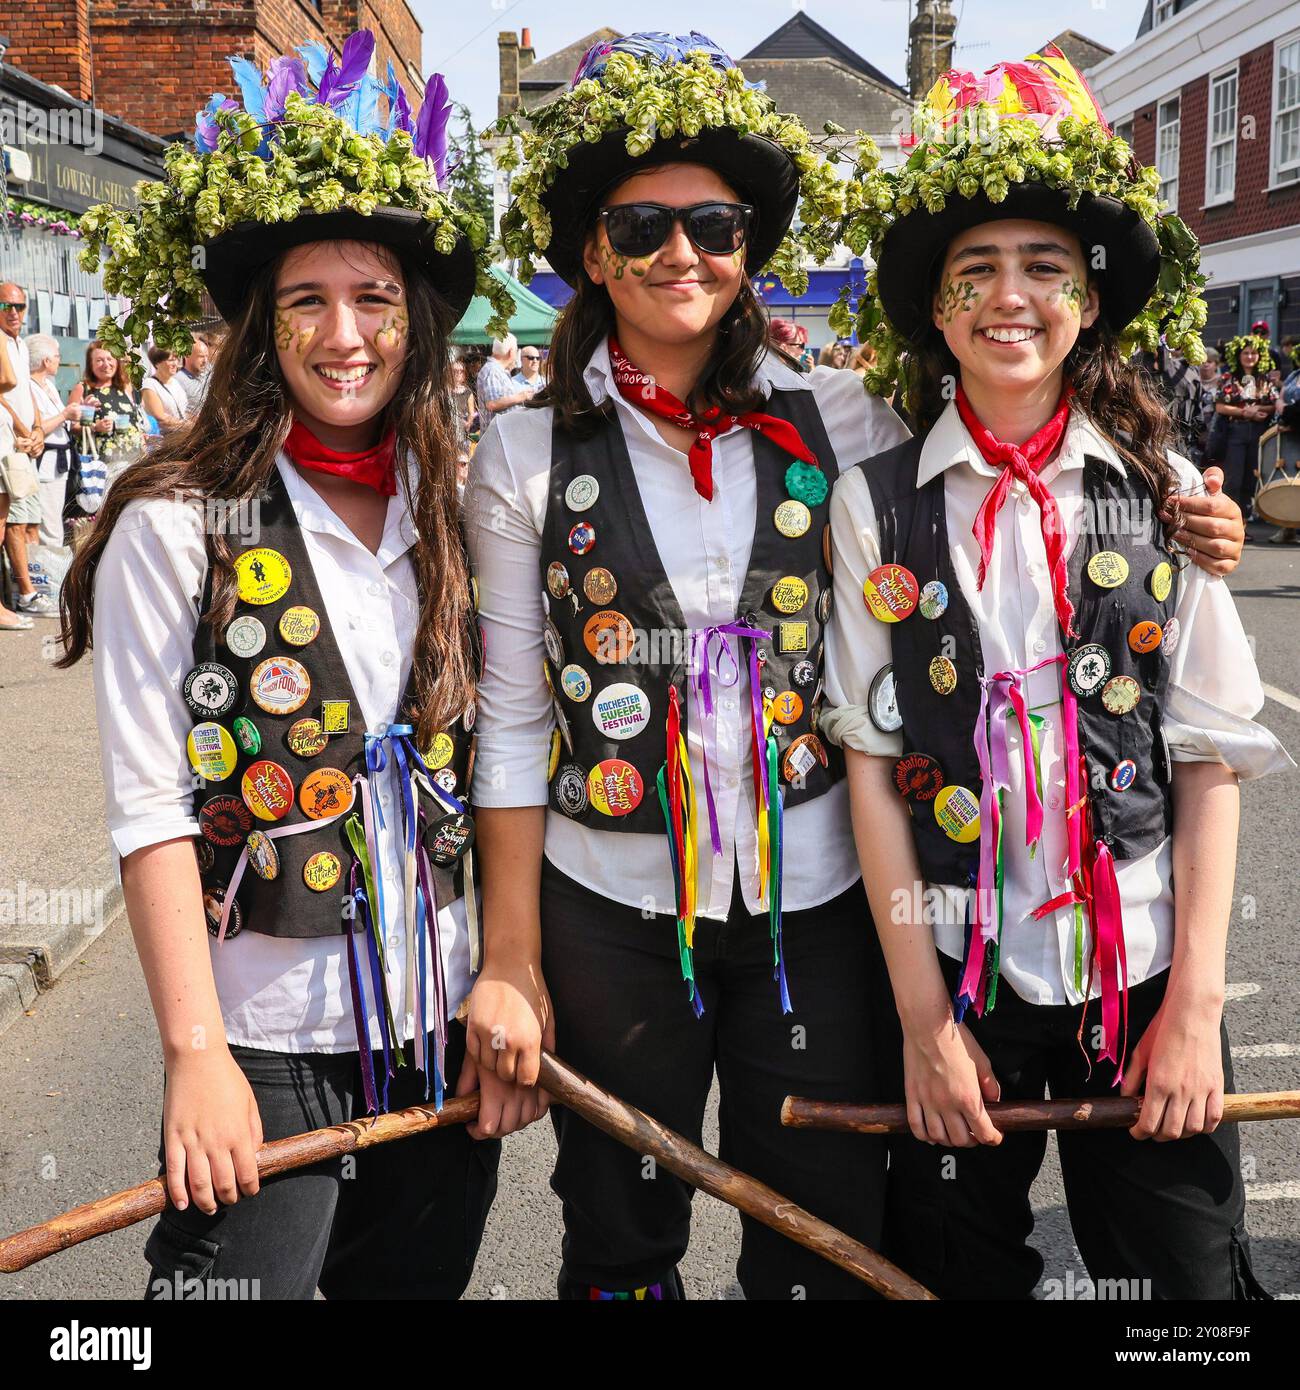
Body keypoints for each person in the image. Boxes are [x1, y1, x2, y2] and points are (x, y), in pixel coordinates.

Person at [59, 28, 514, 1300]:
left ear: (415, 320)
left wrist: (502, 984)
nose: (343, 333)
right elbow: (150, 808)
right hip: (263, 1032)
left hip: (433, 1021)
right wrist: (193, 1050)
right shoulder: (174, 523)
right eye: (306, 300)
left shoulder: (453, 508)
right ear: (260, 325)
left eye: (373, 297)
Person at [825, 46, 1274, 1302]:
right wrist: (921, 1025)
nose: (1007, 296)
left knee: (1182, 1294)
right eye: (975, 270)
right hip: (958, 974)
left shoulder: (1170, 497)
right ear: (933, 307)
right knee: (953, 1276)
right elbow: (871, 772)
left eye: (1042, 269)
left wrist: (1191, 1010)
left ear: (1087, 301)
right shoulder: (873, 508)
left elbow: (1210, 758)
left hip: (1135, 975)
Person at [469, 30, 912, 1301]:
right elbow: (508, 719)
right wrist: (510, 958)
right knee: (618, 1232)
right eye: (644, 225)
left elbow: (1005, 448)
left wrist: (1172, 496)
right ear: (593, 254)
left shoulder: (842, 417)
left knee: (822, 1226)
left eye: (714, 225)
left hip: (813, 905)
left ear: (749, 249)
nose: (683, 253)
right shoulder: (522, 454)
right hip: (607, 907)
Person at [0, 281, 54, 617]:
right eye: (7, 305)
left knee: (27, 522)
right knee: (11, 523)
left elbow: (26, 392)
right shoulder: (2, 342)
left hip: (20, 442)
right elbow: (2, 391)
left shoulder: (19, 344)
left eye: (20, 306)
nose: (14, 312)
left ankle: (28, 591)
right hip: (9, 442)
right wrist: (24, 430)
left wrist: (37, 429)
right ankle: (25, 593)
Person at [1214, 334, 1278, 521]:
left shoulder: (1264, 379)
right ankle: (1228, 520)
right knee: (1233, 479)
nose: (1250, 356)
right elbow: (1219, 406)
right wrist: (1244, 413)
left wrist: (1259, 408)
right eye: (1246, 353)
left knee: (1251, 478)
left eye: (1254, 353)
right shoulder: (1229, 377)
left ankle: (1243, 522)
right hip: (1235, 432)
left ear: (1260, 356)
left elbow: (1273, 404)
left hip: (1259, 432)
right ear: (1238, 355)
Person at [26, 333, 80, 549]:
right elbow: (36, 429)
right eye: (57, 356)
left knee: (54, 520)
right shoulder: (29, 387)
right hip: (46, 465)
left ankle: (50, 573)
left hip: (60, 464)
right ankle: (51, 576)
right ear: (46, 361)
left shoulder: (48, 385)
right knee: (50, 528)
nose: (59, 359)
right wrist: (65, 415)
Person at [475, 333, 532, 417]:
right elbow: (492, 404)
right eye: (516, 351)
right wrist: (520, 397)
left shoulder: (497, 370)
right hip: (498, 429)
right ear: (511, 352)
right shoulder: (492, 371)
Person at [141, 346, 190, 437]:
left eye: (176, 359)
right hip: (166, 439)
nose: (175, 363)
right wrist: (187, 425)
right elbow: (161, 418)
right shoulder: (150, 385)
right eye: (171, 360)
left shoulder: (175, 382)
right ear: (157, 364)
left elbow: (184, 410)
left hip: (182, 434)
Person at [175, 335, 212, 415]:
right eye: (201, 356)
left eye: (207, 356)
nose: (205, 360)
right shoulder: (177, 381)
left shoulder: (210, 373)